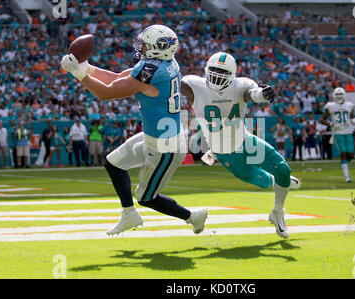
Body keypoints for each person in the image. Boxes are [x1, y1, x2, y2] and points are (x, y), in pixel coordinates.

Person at [61, 24, 207, 235]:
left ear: (159, 47)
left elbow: (107, 93)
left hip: (166, 146)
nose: (141, 49)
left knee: (147, 197)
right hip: (156, 136)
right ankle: (129, 214)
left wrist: (78, 73)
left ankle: (193, 217)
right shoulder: (166, 62)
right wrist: (86, 67)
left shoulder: (152, 70)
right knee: (113, 163)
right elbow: (117, 78)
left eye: (146, 45)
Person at [182, 52, 300, 239]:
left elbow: (251, 95)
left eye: (222, 71)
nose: (217, 75)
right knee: (264, 181)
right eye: (214, 70)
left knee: (283, 170)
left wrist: (262, 94)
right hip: (225, 152)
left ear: (233, 74)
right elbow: (171, 84)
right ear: (206, 70)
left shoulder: (241, 85)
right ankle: (275, 182)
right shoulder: (193, 85)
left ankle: (278, 213)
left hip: (245, 140)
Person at [321, 87, 355, 183]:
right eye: (337, 95)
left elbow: (352, 117)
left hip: (348, 131)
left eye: (340, 95)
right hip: (338, 132)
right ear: (334, 96)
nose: (339, 97)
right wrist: (330, 124)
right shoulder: (330, 106)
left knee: (351, 153)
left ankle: (345, 166)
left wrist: (354, 122)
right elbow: (322, 119)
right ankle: (346, 176)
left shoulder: (349, 105)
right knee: (343, 152)